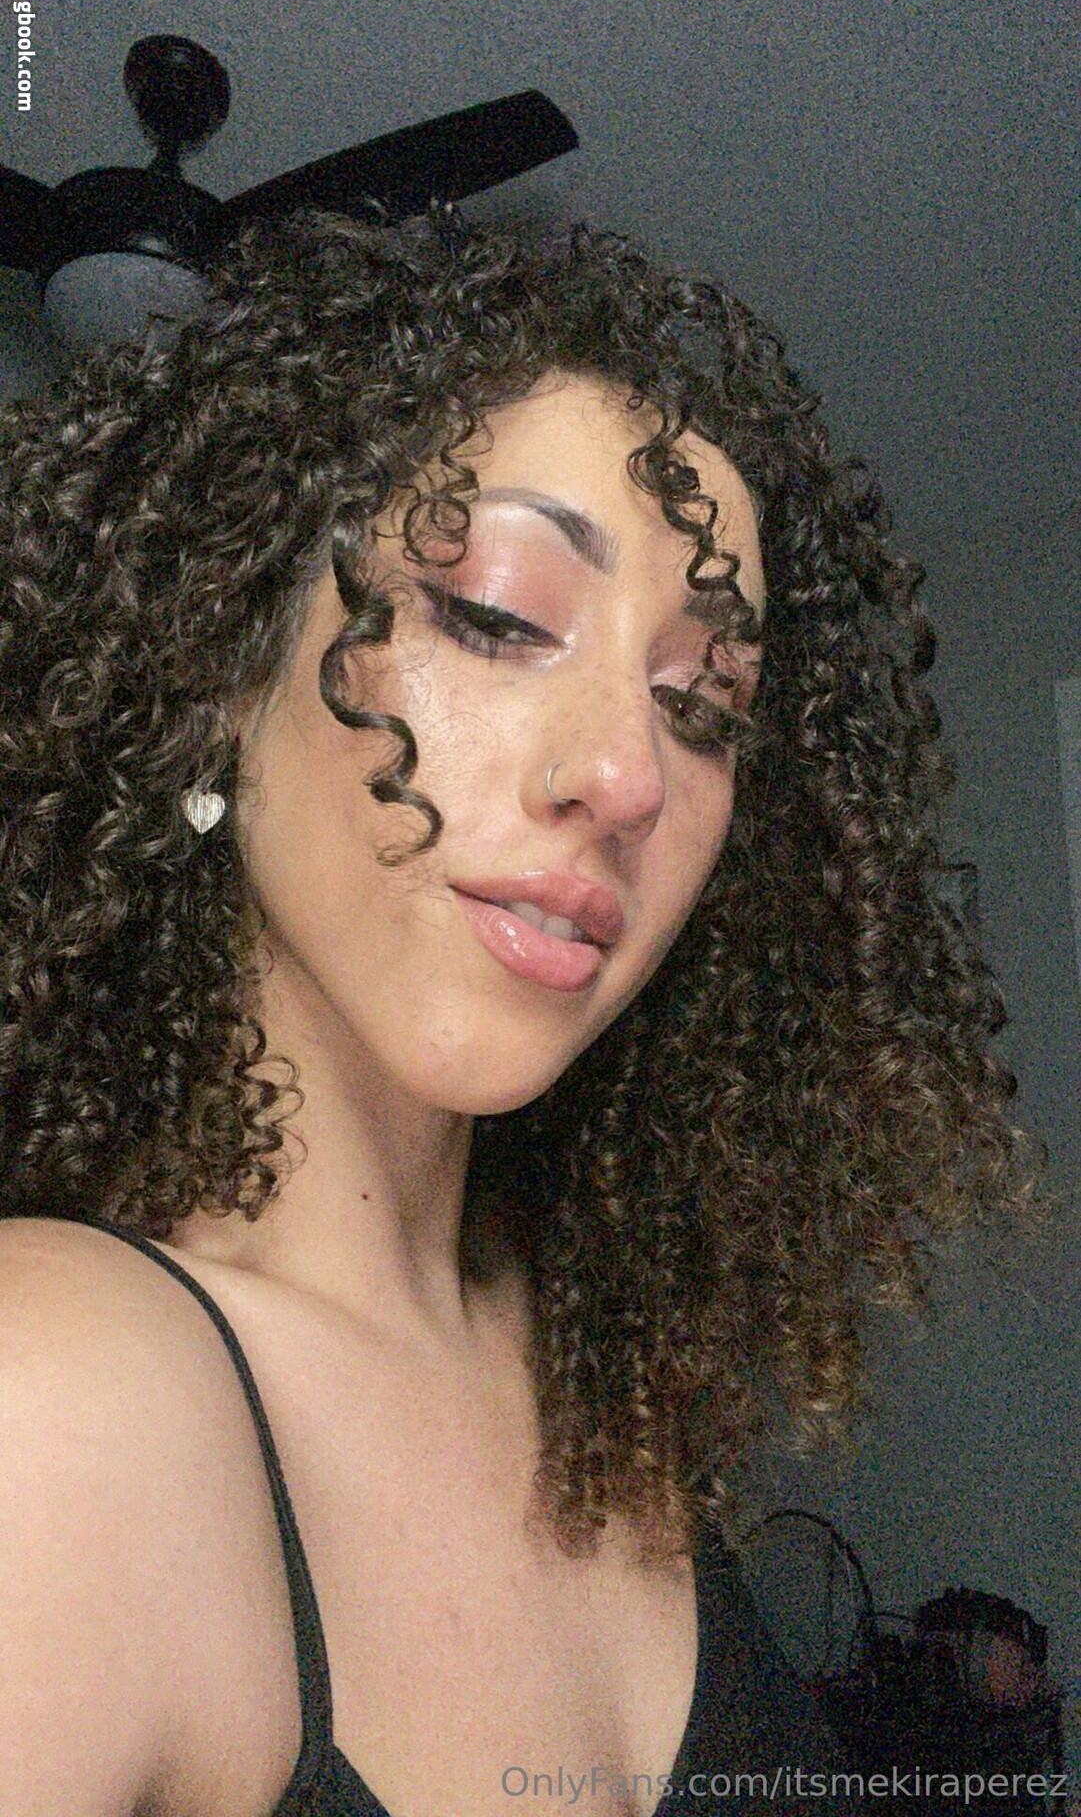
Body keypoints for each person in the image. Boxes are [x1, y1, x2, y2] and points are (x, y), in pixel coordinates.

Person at [0, 207, 1047, 1817]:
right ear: (219, 664)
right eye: (493, 615)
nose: (626, 775)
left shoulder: (599, 1396)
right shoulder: (54, 1391)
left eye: (701, 708)